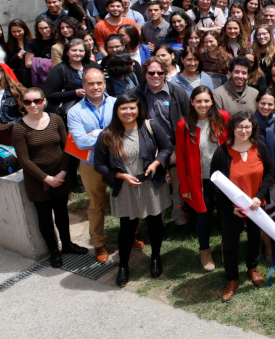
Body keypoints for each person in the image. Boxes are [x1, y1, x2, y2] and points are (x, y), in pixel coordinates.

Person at [92, 94, 174, 287]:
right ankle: (123, 265)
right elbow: (99, 164)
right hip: (126, 187)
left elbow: (167, 147)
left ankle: (155, 257)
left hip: (151, 185)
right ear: (117, 111)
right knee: (127, 229)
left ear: (138, 110)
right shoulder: (107, 134)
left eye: (132, 108)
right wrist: (121, 176)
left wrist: (156, 163)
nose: (128, 112)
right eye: (124, 108)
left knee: (155, 224)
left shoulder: (150, 126)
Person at [12, 87, 87, 268]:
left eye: (37, 101)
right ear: (23, 104)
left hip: (60, 176)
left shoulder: (55, 120)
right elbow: (23, 159)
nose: (33, 105)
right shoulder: (19, 128)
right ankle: (54, 250)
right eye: (28, 102)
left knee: (62, 212)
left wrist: (62, 173)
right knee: (45, 217)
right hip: (37, 180)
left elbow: (67, 146)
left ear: (44, 101)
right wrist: (46, 178)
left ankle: (67, 244)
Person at [206, 115, 275, 302]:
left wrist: (259, 196)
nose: (243, 131)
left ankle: (252, 268)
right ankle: (232, 279)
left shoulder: (259, 147)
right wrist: (230, 208)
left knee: (255, 238)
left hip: (255, 206)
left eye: (247, 127)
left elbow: (270, 172)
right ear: (232, 128)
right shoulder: (222, 152)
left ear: (253, 128)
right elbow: (215, 184)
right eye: (239, 127)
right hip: (232, 209)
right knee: (230, 244)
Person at [176, 86, 229, 271]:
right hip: (199, 180)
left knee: (225, 214)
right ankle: (204, 250)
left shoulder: (223, 118)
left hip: (222, 179)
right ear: (192, 102)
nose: (203, 104)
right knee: (203, 215)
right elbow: (181, 158)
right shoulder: (184, 125)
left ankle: (225, 246)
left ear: (212, 101)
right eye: (198, 101)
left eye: (206, 100)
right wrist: (184, 186)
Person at [67, 68, 116, 262]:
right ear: (83, 86)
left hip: (116, 162)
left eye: (99, 83)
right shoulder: (75, 111)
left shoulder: (116, 103)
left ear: (104, 84)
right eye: (90, 83)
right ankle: (98, 243)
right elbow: (79, 142)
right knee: (96, 204)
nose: (95, 87)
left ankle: (133, 233)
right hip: (90, 163)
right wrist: (108, 134)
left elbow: (123, 133)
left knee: (123, 199)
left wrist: (94, 134)